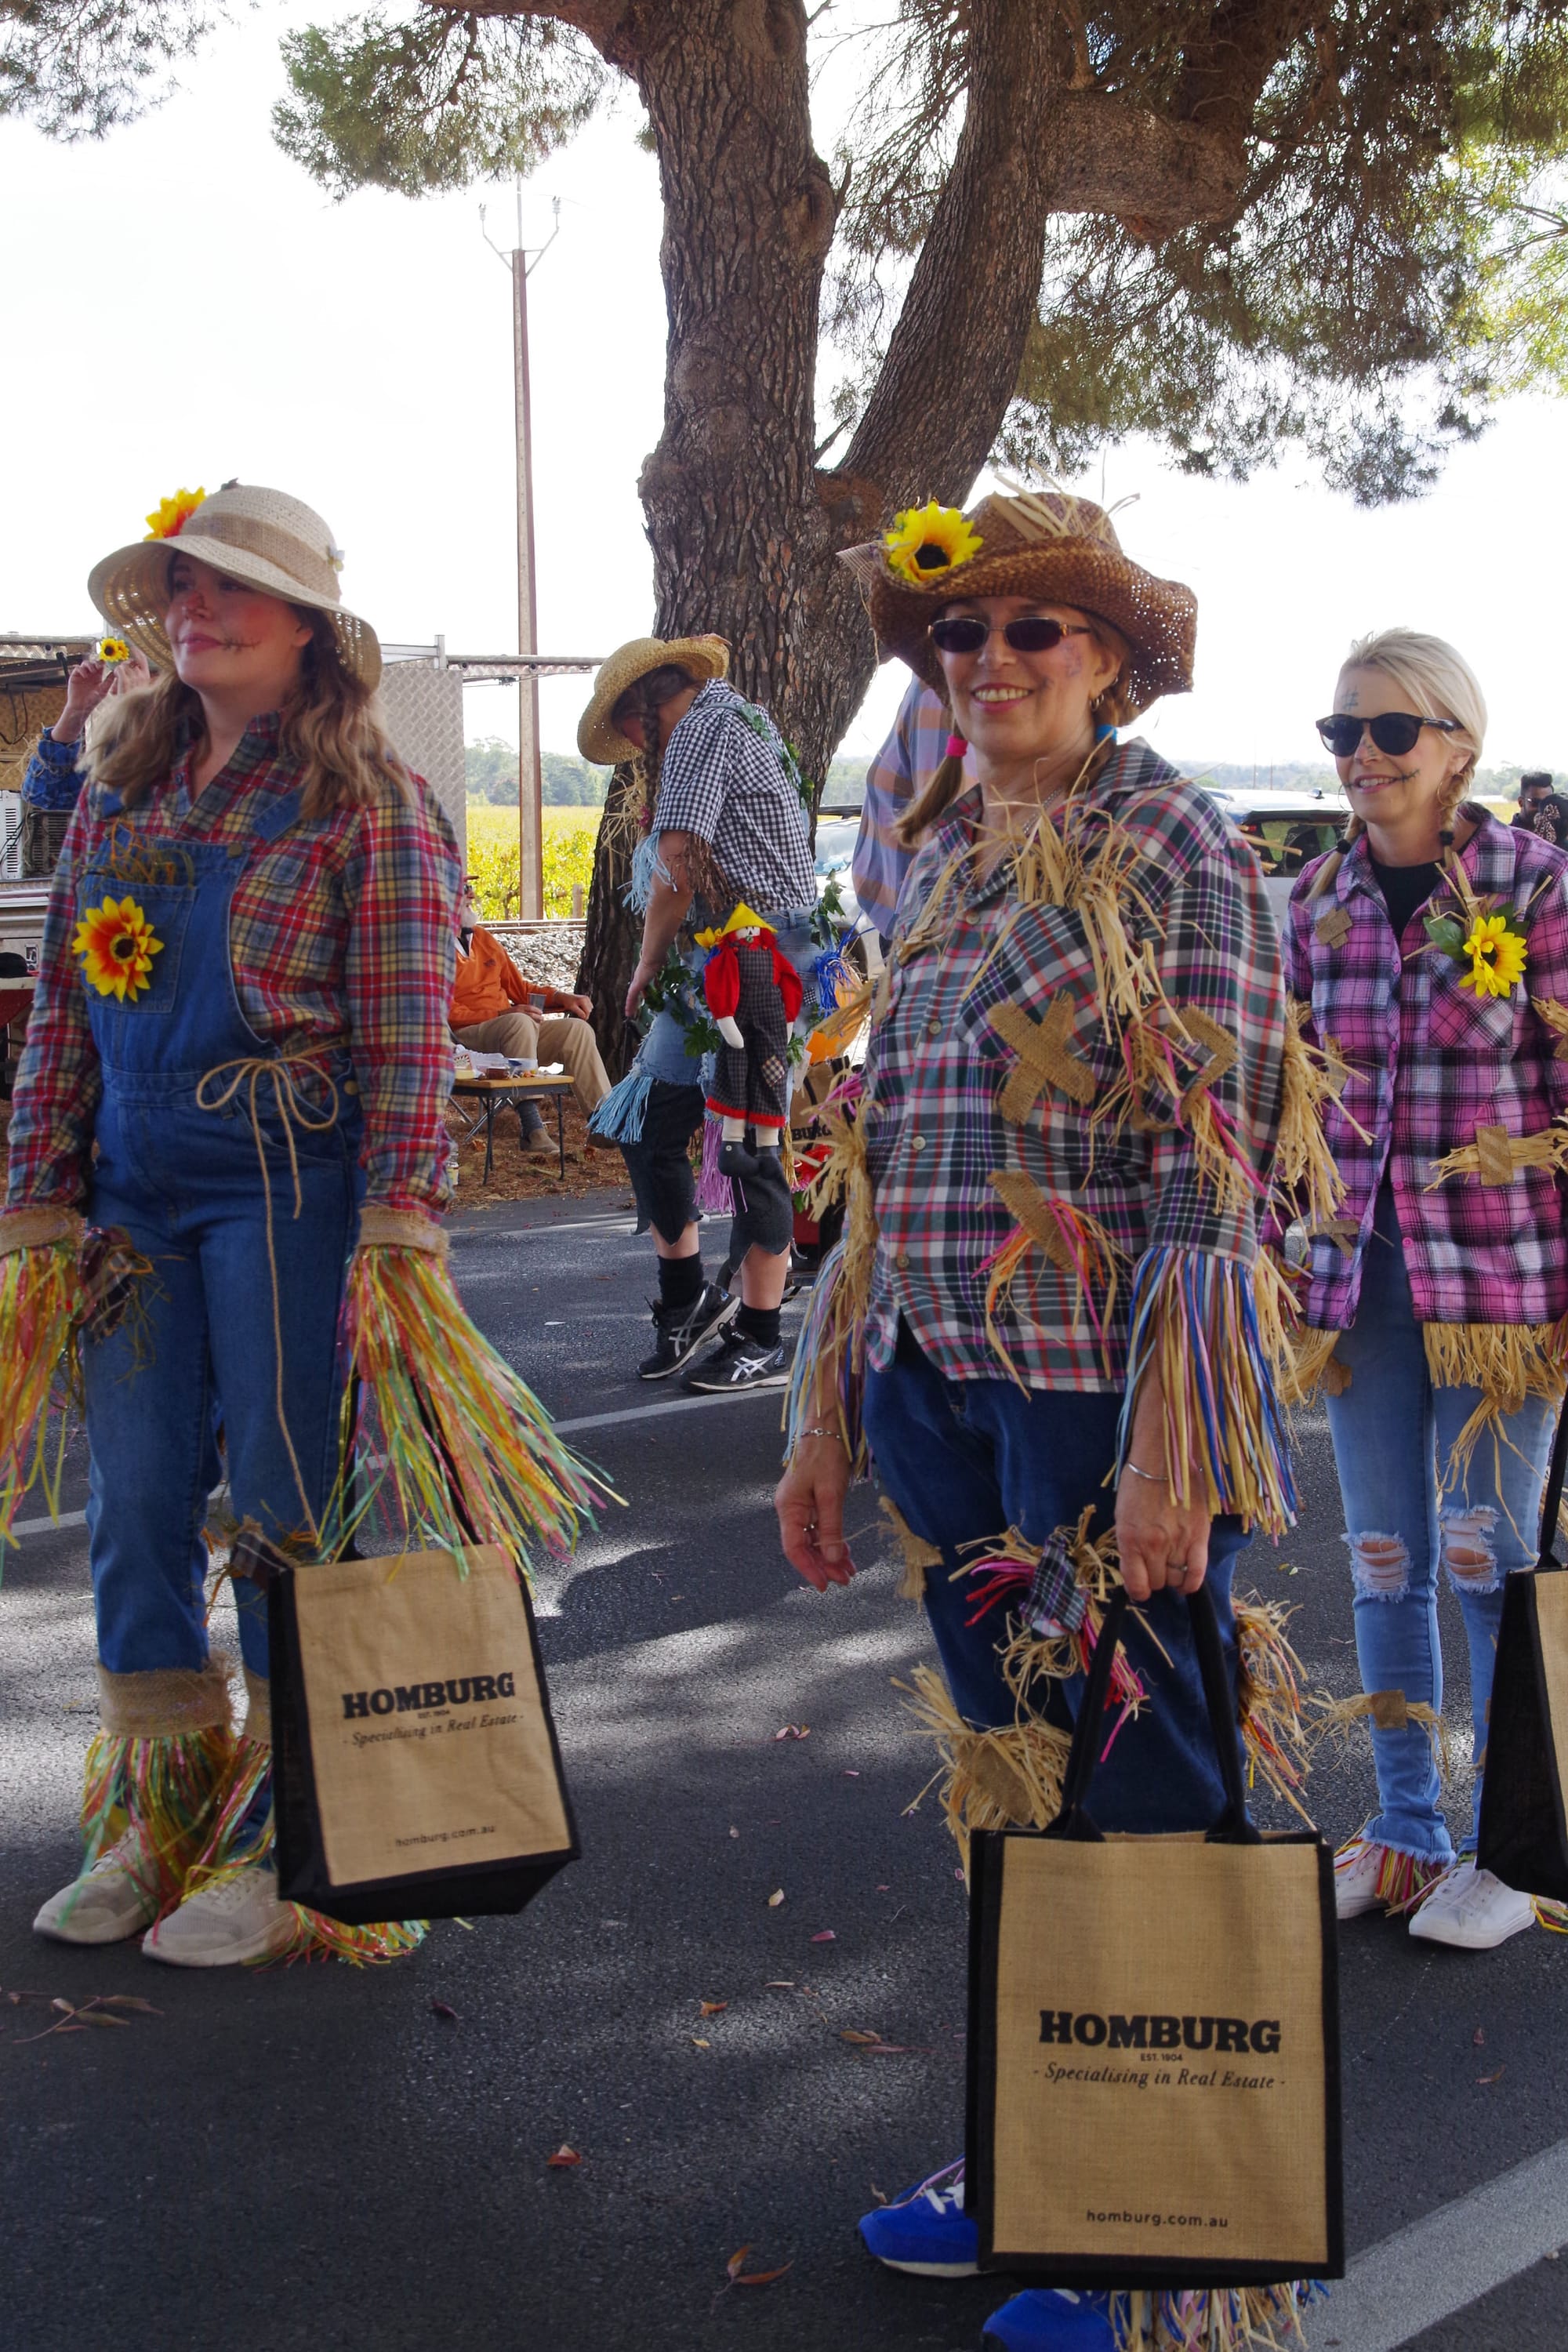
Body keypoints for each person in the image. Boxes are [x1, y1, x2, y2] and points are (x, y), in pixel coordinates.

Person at [775, 488, 1301, 2352]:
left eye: (1032, 633)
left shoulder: (1167, 837)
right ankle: (1034, 2151)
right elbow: (876, 1151)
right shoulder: (931, 849)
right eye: (956, 637)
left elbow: (1214, 1166)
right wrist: (825, 1413)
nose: (985, 663)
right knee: (1016, 1766)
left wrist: (1173, 1445)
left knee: (1141, 1773)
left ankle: (1159, 2238)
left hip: (1094, 1391)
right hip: (935, 1382)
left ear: (1110, 658)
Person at [1, 482, 595, 1969]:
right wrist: (35, 1189)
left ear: (309, 630)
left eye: (233, 592)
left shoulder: (373, 804)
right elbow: (65, 1012)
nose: (198, 611)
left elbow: (404, 1036)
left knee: (281, 1509)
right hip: (133, 1194)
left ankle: (289, 1837)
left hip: (290, 1194)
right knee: (134, 1509)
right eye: (181, 590)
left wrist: (404, 1222)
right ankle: (162, 1811)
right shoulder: (123, 784)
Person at [1287, 633, 1568, 1950]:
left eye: (1390, 733)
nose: (1362, 760)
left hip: (1506, 1293)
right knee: (1383, 1556)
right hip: (1359, 1283)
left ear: (1458, 741)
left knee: (1484, 1553)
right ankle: (1406, 1829)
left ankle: (1514, 1855)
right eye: (1342, 734)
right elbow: (1283, 1106)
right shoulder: (1316, 906)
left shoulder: (1542, 891)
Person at [579, 637, 819, 1392]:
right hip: (718, 956)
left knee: (746, 1144)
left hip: (760, 959)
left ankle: (759, 1331)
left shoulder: (702, 728)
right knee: (648, 1121)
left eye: (632, 725)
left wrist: (645, 961)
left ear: (652, 702)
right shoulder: (736, 719)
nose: (635, 744)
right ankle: (686, 1302)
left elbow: (679, 864)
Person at [449, 889, 610, 1148]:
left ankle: (605, 1123)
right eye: (463, 890)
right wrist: (502, 1014)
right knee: (520, 1022)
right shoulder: (429, 946)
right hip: (466, 1036)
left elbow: (521, 990)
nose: (471, 895)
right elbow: (440, 1011)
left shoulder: (483, 938)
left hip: (512, 1034)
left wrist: (561, 997)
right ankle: (532, 1128)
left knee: (576, 1030)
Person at [851, 676, 971, 944]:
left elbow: (940, 830)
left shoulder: (937, 688)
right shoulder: (929, 684)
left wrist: (913, 934)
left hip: (922, 925)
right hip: (912, 916)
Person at [1512, 770, 1568, 846]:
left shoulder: (1560, 837)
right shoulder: (1507, 837)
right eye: (1536, 802)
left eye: (1548, 803)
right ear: (1521, 802)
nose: (1542, 809)